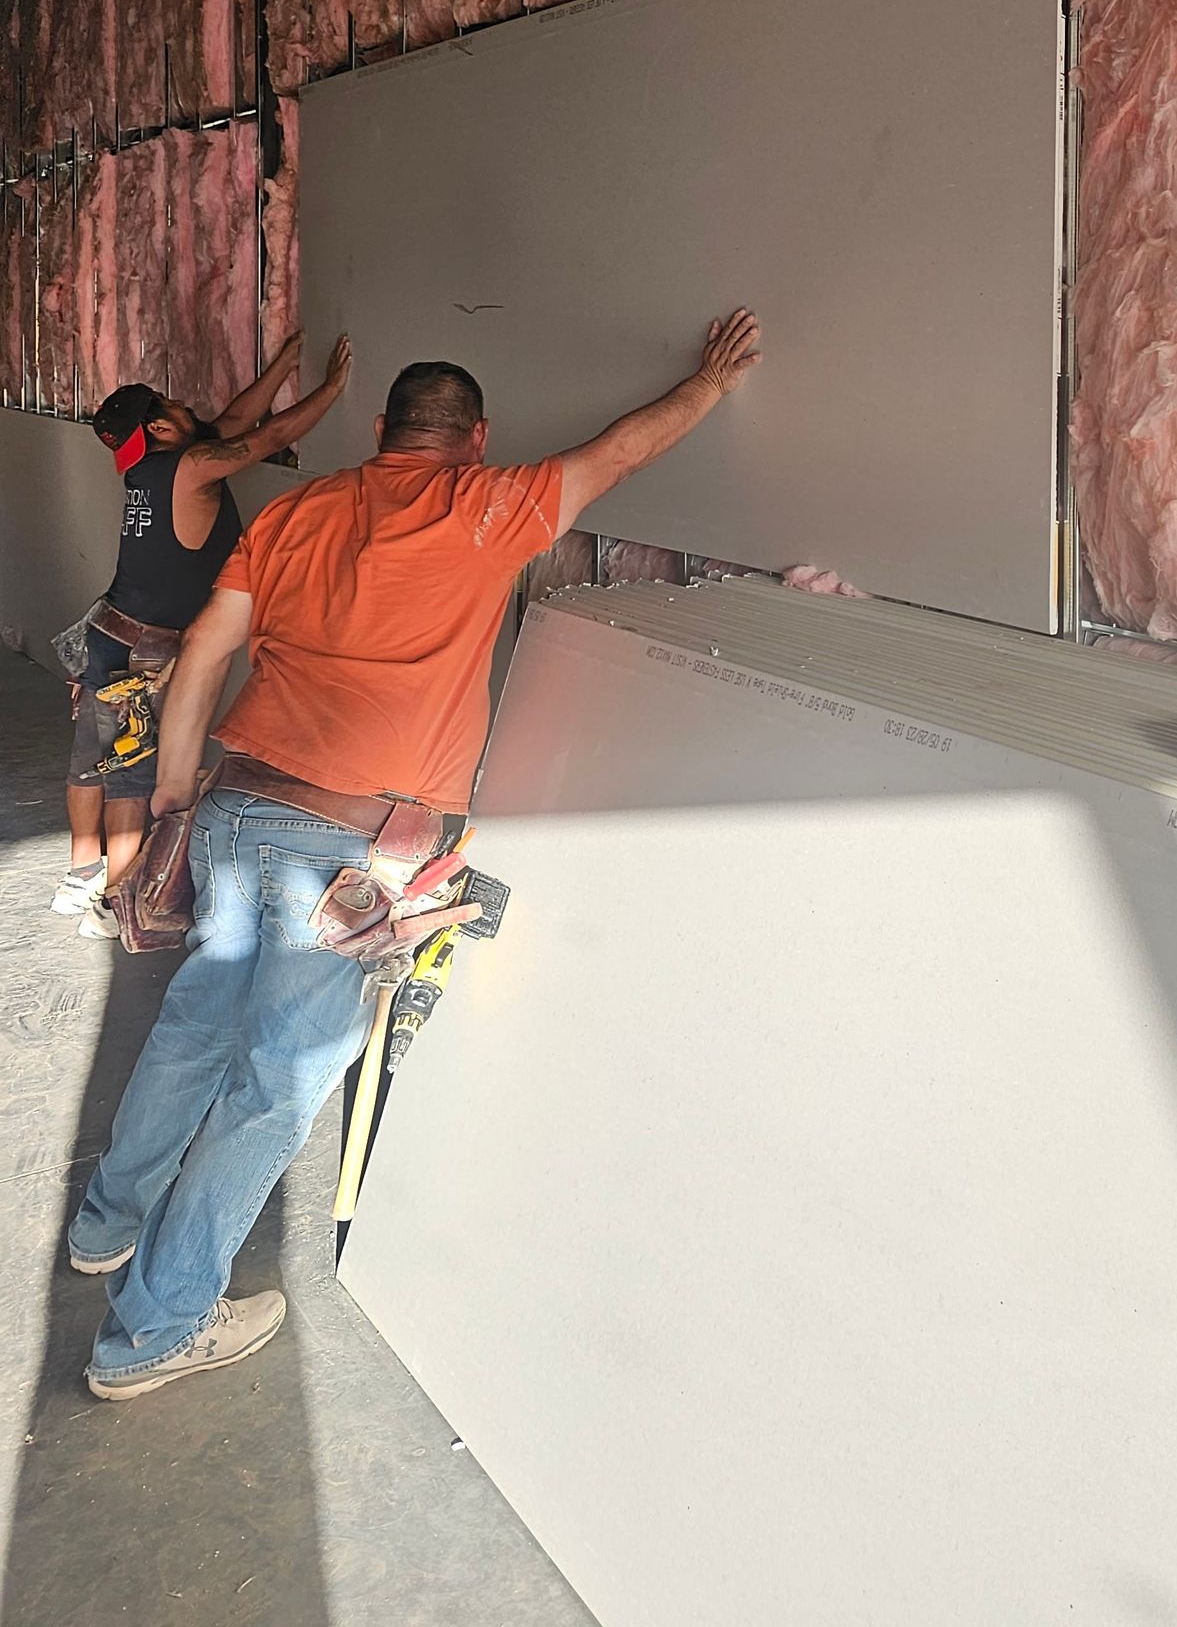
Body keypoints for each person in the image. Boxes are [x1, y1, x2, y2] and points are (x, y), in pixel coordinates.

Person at [71, 308, 762, 1400]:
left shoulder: (297, 510)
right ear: (475, 439)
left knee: (195, 1028)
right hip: (343, 846)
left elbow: (204, 647)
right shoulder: (490, 505)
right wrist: (711, 385)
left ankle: (104, 1226)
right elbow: (620, 451)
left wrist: (170, 793)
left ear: (381, 432)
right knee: (275, 1088)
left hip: (239, 806)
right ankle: (151, 1331)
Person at [54, 333, 353, 937]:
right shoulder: (191, 468)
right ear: (161, 428)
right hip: (146, 651)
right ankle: (117, 905)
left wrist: (282, 365)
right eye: (172, 404)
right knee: (133, 777)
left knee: (91, 762)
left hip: (111, 631)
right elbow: (263, 437)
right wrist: (332, 390)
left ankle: (80, 876)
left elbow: (236, 421)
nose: (185, 406)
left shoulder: (149, 467)